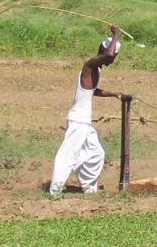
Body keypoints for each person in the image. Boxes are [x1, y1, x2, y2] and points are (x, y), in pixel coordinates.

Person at [49, 25, 124, 195]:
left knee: (96, 153)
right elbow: (109, 54)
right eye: (113, 56)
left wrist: (115, 94)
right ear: (104, 49)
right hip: (78, 120)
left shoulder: (95, 70)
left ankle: (89, 189)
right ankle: (55, 191)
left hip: (84, 121)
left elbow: (92, 91)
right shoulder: (90, 65)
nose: (112, 60)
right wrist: (115, 34)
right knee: (67, 155)